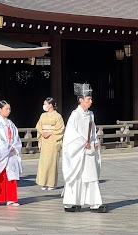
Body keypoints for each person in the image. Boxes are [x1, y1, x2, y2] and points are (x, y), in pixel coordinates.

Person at [61, 83, 108, 213]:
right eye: (88, 99)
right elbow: (70, 134)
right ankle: (71, 203)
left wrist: (95, 140)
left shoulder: (90, 114)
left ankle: (95, 203)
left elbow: (93, 131)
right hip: (78, 150)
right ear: (81, 99)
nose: (91, 102)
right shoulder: (75, 115)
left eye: (91, 99)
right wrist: (83, 142)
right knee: (76, 176)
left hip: (88, 150)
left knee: (90, 176)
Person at [0, 100, 23, 206]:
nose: (8, 111)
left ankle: (11, 198)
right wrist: (8, 148)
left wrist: (14, 146)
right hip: (2, 152)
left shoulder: (10, 123)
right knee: (0, 175)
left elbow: (16, 137)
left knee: (11, 175)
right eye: (6, 109)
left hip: (12, 152)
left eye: (9, 109)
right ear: (0, 110)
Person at [35, 97, 65, 190]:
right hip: (44, 140)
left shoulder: (57, 116)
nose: (44, 106)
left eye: (46, 104)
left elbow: (60, 128)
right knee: (43, 162)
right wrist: (42, 132)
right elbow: (38, 126)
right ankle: (43, 182)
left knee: (52, 162)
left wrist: (51, 132)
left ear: (50, 105)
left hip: (52, 140)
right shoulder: (43, 115)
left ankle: (51, 183)